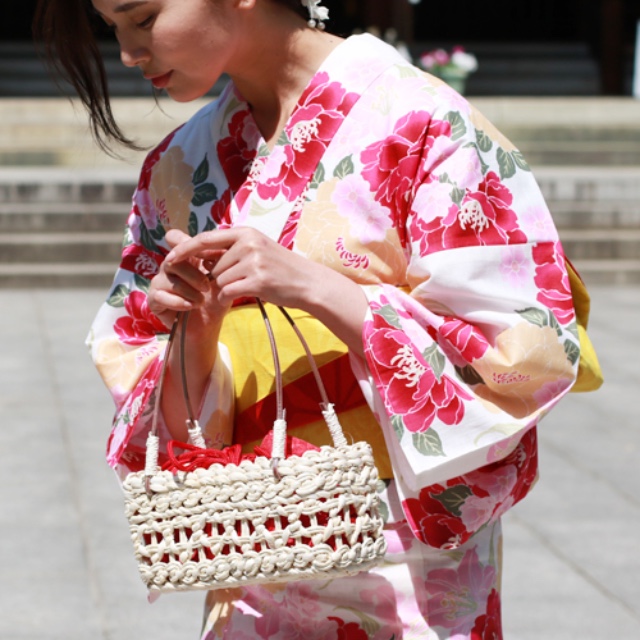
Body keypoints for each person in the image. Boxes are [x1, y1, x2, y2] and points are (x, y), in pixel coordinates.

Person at [34, 1, 581, 638]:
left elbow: (518, 355)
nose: (129, 52)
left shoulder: (424, 121)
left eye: (144, 17)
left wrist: (314, 286)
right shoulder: (179, 166)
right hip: (252, 542)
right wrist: (198, 329)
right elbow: (138, 371)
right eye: (114, 29)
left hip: (404, 556)